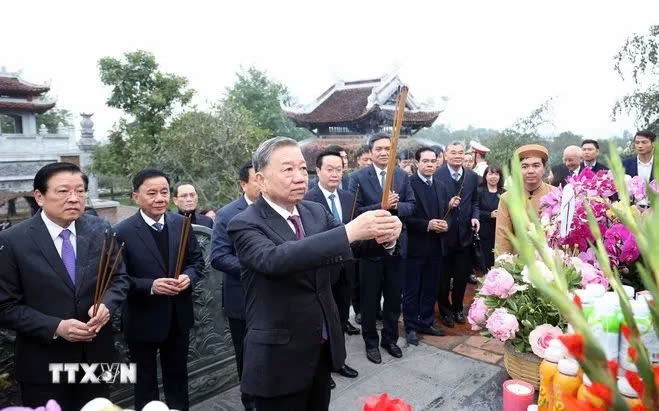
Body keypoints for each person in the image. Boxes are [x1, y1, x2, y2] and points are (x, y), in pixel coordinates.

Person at [227, 137, 402, 411]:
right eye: (288, 170)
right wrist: (349, 230)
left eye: (301, 168)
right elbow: (276, 260)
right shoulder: (244, 223)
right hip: (278, 359)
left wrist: (385, 236)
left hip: (320, 346)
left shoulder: (314, 211)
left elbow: (352, 246)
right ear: (260, 180)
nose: (299, 177)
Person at [0, 162, 129, 410]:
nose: (74, 198)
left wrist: (106, 306)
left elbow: (119, 278)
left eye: (80, 191)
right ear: (39, 196)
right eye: (63, 191)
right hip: (44, 362)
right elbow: (5, 307)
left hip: (96, 357)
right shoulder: (12, 241)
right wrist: (56, 327)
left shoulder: (99, 229)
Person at [115, 169, 204, 411]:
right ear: (136, 197)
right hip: (142, 318)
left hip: (178, 316)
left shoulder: (182, 224)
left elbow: (197, 262)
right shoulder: (122, 231)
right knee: (144, 383)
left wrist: (188, 277)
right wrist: (150, 286)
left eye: (164, 192)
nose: (160, 198)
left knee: (178, 379)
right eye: (152, 193)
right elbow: (117, 278)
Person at [349, 134, 415, 364]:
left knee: (393, 299)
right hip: (369, 250)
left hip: (395, 249)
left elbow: (411, 206)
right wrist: (381, 206)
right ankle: (370, 342)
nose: (384, 152)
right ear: (371, 151)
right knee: (369, 300)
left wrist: (397, 206)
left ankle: (390, 339)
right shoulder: (357, 178)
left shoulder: (401, 176)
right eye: (379, 148)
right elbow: (354, 211)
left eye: (388, 148)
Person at [303, 150, 360, 387]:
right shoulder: (308, 200)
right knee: (321, 321)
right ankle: (322, 370)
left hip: (346, 267)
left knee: (339, 318)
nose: (335, 174)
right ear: (318, 171)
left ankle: (339, 361)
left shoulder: (348, 197)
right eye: (330, 169)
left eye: (339, 169)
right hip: (322, 271)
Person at [210, 161, 260, 411]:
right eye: (256, 180)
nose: (263, 185)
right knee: (247, 355)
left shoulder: (275, 208)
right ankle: (250, 402)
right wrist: (257, 265)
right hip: (242, 299)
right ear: (243, 184)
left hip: (275, 297)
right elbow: (218, 256)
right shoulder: (228, 214)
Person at [403, 147, 447, 346]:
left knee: (430, 286)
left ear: (438, 162)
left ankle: (426, 321)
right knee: (412, 288)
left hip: (436, 246)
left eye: (433, 161)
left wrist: (447, 224)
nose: (430, 164)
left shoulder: (441, 185)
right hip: (415, 245)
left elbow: (449, 213)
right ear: (417, 163)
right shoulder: (408, 184)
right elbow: (403, 215)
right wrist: (427, 225)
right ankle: (411, 326)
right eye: (425, 161)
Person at [434, 142, 480, 328]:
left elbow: (475, 202)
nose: (457, 156)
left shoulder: (472, 177)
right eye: (453, 152)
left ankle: (458, 307)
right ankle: (444, 309)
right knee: (443, 278)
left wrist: (475, 217)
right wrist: (447, 205)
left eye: (460, 153)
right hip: (444, 236)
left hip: (465, 236)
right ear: (446, 155)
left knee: (461, 277)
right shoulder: (437, 175)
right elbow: (430, 205)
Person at [495, 144, 554, 255]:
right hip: (518, 264)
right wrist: (502, 266)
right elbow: (503, 236)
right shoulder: (507, 198)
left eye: (536, 165)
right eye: (525, 166)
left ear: (544, 168)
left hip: (551, 262)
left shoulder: (556, 194)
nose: (530, 171)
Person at [478, 165, 505, 270]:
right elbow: (475, 210)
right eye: (490, 173)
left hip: (499, 231)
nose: (493, 177)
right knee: (486, 262)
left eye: (496, 174)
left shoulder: (504, 192)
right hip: (484, 232)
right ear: (485, 176)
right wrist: (490, 214)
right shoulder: (479, 191)